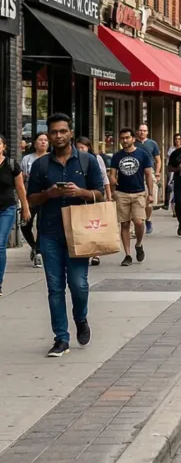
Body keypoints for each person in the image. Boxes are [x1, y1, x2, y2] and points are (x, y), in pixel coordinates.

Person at [26, 113, 108, 357]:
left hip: (79, 232)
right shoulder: (40, 165)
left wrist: (80, 192)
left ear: (70, 133)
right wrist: (48, 194)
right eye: (54, 132)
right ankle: (61, 338)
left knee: (79, 285)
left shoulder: (87, 161)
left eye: (63, 131)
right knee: (54, 288)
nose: (58, 136)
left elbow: (101, 194)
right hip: (50, 232)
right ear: (48, 136)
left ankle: (81, 318)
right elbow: (31, 199)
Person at [109, 128, 154, 267]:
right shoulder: (116, 156)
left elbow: (148, 174)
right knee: (125, 224)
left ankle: (139, 244)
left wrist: (151, 193)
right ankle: (127, 255)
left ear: (133, 139)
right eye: (122, 138)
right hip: (122, 193)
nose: (125, 140)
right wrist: (112, 182)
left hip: (138, 192)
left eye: (127, 137)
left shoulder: (142, 154)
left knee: (139, 222)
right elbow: (112, 174)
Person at [0, 133, 31, 296]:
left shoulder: (12, 165)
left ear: (3, 147)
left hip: (7, 209)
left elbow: (20, 188)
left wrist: (25, 208)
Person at [75, 137, 109, 267]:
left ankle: (96, 253)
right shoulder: (74, 160)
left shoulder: (95, 159)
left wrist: (108, 195)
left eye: (82, 147)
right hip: (79, 198)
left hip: (94, 195)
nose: (80, 150)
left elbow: (104, 177)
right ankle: (85, 250)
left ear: (88, 147)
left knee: (95, 225)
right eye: (78, 147)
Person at [21, 132, 49, 268]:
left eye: (45, 140)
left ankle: (38, 253)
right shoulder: (27, 159)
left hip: (46, 197)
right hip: (30, 197)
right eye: (40, 140)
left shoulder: (51, 158)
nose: (43, 142)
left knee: (41, 225)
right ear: (35, 143)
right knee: (25, 224)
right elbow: (19, 178)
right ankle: (33, 246)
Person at [134, 125, 161, 234]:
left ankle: (148, 219)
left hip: (150, 173)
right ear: (137, 132)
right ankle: (139, 222)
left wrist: (158, 173)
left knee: (149, 201)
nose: (142, 132)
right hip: (136, 174)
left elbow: (158, 160)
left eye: (144, 131)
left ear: (147, 132)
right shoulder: (133, 143)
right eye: (140, 130)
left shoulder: (152, 143)